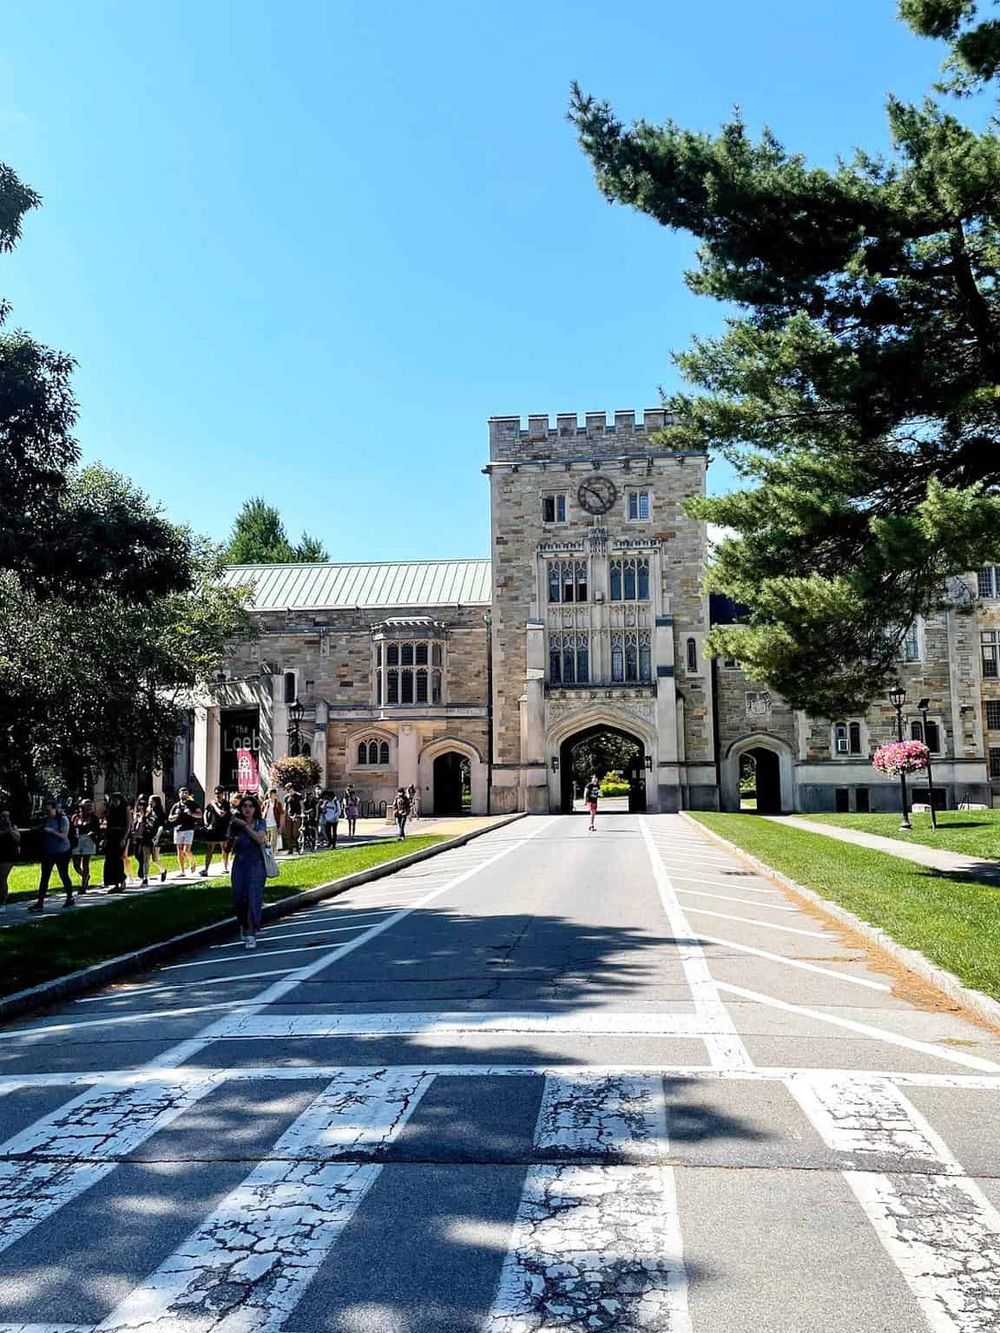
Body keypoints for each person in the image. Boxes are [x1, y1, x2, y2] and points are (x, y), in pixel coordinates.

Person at [228, 793, 268, 950]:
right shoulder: (235, 825)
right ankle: (243, 925)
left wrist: (244, 826)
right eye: (244, 806)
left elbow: (259, 839)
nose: (247, 809)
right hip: (240, 864)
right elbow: (227, 846)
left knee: (253, 897)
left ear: (255, 808)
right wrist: (231, 830)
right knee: (240, 898)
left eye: (251, 806)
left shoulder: (260, 823)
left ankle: (251, 933)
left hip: (256, 865)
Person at [28, 799, 75, 912]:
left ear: (55, 809)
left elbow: (64, 836)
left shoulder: (62, 820)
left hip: (62, 852)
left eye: (49, 810)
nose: (47, 812)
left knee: (63, 874)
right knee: (44, 877)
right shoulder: (46, 820)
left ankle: (70, 897)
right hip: (48, 852)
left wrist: (51, 831)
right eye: (46, 810)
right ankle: (40, 903)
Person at [102, 792, 131, 892]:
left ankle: (121, 881)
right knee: (109, 859)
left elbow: (128, 825)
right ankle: (113, 882)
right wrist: (105, 837)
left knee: (118, 859)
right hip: (111, 835)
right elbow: (108, 825)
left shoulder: (124, 809)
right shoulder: (110, 810)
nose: (114, 802)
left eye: (116, 800)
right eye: (113, 800)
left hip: (120, 835)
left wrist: (124, 838)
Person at [71, 799, 100, 894]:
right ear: (82, 807)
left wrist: (93, 833)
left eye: (90, 806)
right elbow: (72, 828)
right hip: (77, 840)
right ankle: (85, 875)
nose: (89, 808)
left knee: (85, 863)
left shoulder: (94, 818)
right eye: (87, 806)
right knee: (76, 864)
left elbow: (97, 830)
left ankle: (83, 886)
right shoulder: (76, 817)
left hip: (88, 840)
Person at [201, 787, 232, 876]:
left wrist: (214, 805)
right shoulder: (211, 805)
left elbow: (221, 814)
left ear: (223, 794)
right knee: (209, 849)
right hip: (212, 829)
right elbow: (205, 813)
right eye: (216, 793)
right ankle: (206, 869)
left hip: (223, 828)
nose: (218, 795)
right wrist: (206, 824)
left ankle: (225, 867)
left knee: (224, 848)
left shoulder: (226, 804)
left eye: (219, 793)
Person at [168, 787, 198, 877]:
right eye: (182, 792)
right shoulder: (176, 805)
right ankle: (182, 871)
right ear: (179, 794)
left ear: (188, 794)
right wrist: (175, 816)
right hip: (178, 829)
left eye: (186, 792)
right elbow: (169, 818)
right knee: (179, 851)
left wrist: (191, 813)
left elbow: (199, 814)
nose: (184, 794)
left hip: (189, 829)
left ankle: (192, 862)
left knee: (186, 850)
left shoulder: (192, 804)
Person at [0, 809, 20, 914]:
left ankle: (3, 901)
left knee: (2, 877)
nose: (6, 818)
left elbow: (17, 839)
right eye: (3, 816)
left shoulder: (13, 827)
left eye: (7, 816)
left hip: (9, 856)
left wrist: (10, 829)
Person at [146, 795, 169, 883]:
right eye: (149, 801)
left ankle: (163, 870)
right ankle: (147, 875)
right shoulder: (149, 811)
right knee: (149, 858)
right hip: (148, 836)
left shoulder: (160, 813)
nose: (150, 802)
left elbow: (161, 826)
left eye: (152, 801)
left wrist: (157, 837)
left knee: (155, 858)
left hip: (157, 836)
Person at [262, 788, 282, 856]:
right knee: (266, 839)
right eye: (271, 794)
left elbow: (281, 813)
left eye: (273, 794)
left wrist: (280, 824)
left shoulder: (278, 804)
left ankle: (273, 852)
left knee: (274, 839)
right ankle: (267, 852)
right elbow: (261, 812)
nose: (272, 795)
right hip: (266, 823)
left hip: (274, 823)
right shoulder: (265, 803)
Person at [282, 787, 302, 855]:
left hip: (297, 816)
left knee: (295, 833)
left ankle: (297, 847)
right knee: (288, 833)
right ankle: (290, 849)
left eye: (289, 789)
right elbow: (285, 807)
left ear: (292, 788)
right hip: (289, 817)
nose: (288, 791)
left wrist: (302, 814)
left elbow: (302, 806)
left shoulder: (299, 796)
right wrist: (284, 817)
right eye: (287, 790)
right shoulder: (287, 797)